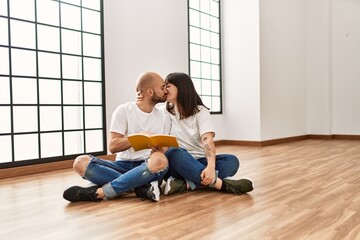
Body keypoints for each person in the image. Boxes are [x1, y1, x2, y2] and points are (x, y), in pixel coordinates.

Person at [63, 72, 170, 202]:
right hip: (122, 165)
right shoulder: (124, 110)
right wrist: (137, 137)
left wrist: (160, 149)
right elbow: (112, 146)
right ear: (150, 92)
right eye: (162, 87)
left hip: (147, 166)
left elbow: (164, 151)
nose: (165, 91)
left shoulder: (163, 116)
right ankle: (138, 187)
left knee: (160, 160)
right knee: (80, 163)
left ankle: (100, 192)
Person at [163, 72, 254, 195]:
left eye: (168, 86)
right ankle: (221, 185)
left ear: (182, 87)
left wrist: (210, 167)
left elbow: (207, 140)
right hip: (178, 163)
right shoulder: (164, 111)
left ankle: (187, 184)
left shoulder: (201, 111)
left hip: (200, 160)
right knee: (174, 152)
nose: (164, 89)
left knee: (232, 161)